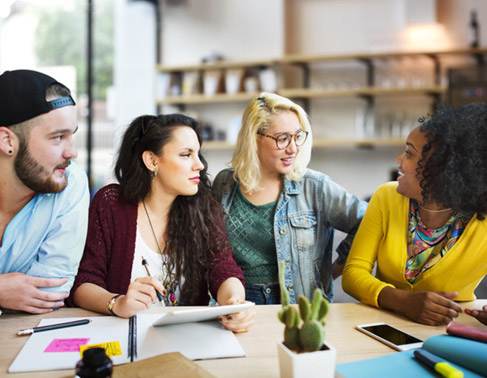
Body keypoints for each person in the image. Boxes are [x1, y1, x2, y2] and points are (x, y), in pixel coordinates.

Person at [68, 113, 254, 333]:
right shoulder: (110, 204)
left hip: (187, 336)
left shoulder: (203, 206)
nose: (200, 165)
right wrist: (117, 303)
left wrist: (234, 302)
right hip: (123, 335)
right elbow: (83, 282)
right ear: (152, 160)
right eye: (186, 155)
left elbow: (223, 269)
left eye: (198, 154)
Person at [212, 93, 367, 305]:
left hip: (298, 306)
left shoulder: (315, 187)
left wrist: (335, 269)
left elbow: (367, 220)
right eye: (282, 138)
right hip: (237, 302)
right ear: (254, 138)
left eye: (298, 136)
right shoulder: (224, 183)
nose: (294, 148)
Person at [342, 102, 487, 326]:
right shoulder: (386, 197)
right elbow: (353, 274)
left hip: (451, 331)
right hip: (384, 326)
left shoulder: (483, 221)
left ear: (442, 169)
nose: (398, 160)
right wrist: (403, 301)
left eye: (409, 153)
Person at [0, 69, 89, 314]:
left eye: (72, 136)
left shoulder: (71, 183)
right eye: (58, 137)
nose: (72, 153)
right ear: (8, 141)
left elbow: (50, 293)